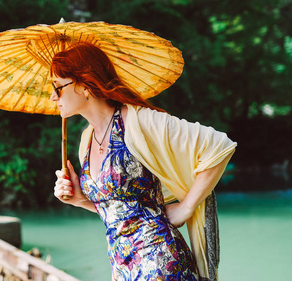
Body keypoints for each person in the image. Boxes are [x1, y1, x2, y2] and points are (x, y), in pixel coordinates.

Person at [51, 42, 236, 281]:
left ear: (85, 85)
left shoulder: (139, 122)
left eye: (58, 87)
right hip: (123, 267)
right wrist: (80, 200)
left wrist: (186, 207)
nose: (52, 96)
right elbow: (121, 212)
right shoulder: (87, 139)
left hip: (160, 263)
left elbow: (218, 145)